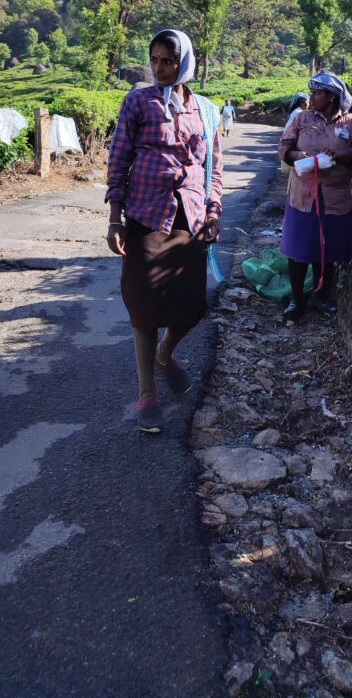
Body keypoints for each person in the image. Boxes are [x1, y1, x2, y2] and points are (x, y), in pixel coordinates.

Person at [105, 28, 223, 433]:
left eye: (168, 61)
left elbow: (214, 169)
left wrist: (213, 211)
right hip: (145, 216)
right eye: (154, 60)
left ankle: (165, 354)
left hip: (189, 220)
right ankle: (146, 394)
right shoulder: (138, 101)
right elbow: (119, 159)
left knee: (193, 306)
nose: (159, 68)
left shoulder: (205, 110)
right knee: (144, 306)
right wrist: (115, 218)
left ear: (184, 63)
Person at [277, 70, 352, 320]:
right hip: (302, 195)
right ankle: (297, 301)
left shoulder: (351, 122)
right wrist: (298, 157)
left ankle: (321, 297)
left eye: (316, 93)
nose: (312, 97)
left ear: (330, 97)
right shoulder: (303, 119)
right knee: (298, 250)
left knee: (326, 251)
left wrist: (341, 156)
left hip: (334, 197)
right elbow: (285, 147)